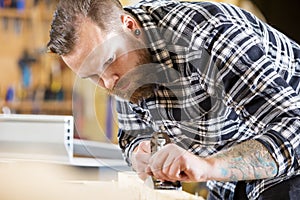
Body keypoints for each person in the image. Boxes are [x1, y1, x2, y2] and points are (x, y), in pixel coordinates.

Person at [47, 0, 300, 199]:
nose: (108, 83)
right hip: (228, 176)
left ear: (129, 25)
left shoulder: (207, 36)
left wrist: (207, 166)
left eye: (109, 61)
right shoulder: (120, 58)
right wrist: (139, 152)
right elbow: (133, 134)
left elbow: (294, 129)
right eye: (91, 75)